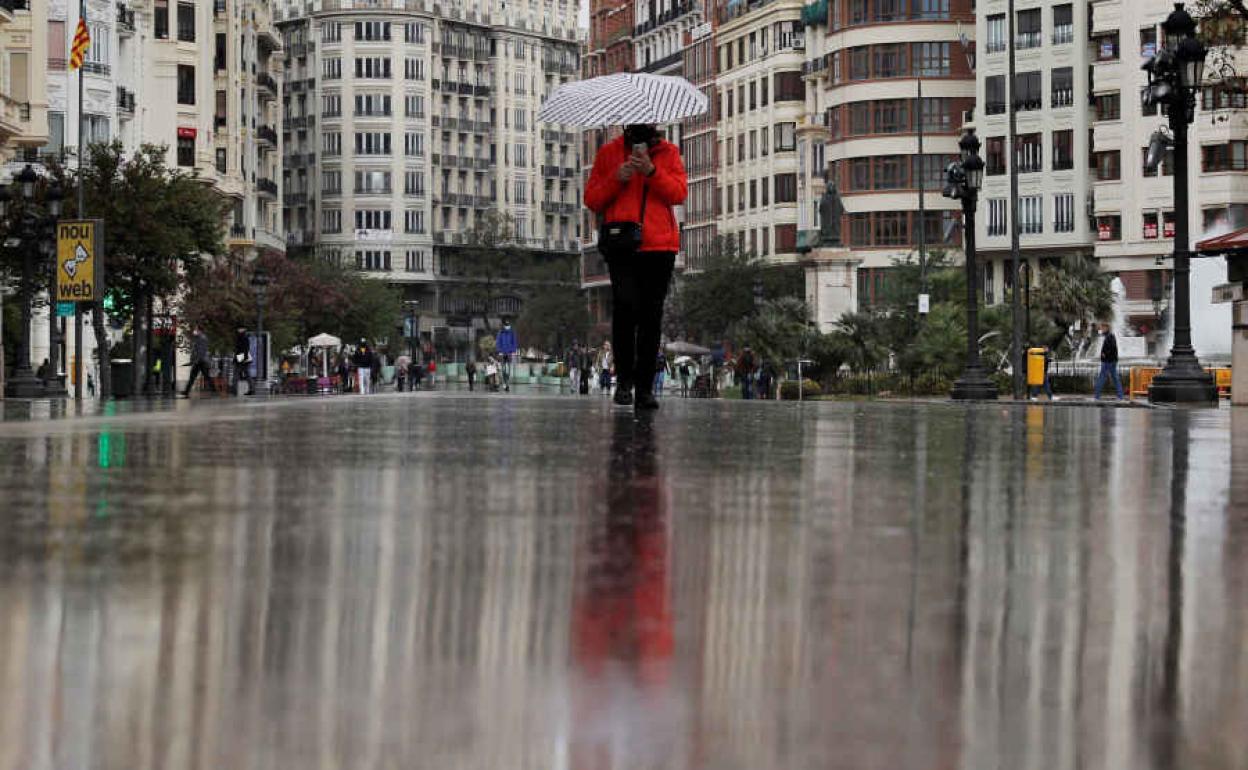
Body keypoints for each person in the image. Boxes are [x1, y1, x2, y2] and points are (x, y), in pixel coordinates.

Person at [585, 122, 687, 410]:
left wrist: (651, 171)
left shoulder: (668, 152)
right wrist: (618, 177)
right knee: (625, 309)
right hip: (623, 244)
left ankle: (644, 388)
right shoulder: (609, 153)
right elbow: (592, 199)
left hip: (659, 246)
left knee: (651, 317)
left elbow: (678, 193)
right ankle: (625, 383)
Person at [1093, 322, 1123, 401]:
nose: (1101, 329)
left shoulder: (1110, 336)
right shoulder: (1108, 336)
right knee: (1115, 378)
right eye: (1101, 328)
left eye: (1102, 328)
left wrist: (1105, 354)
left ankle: (1097, 396)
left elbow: (1112, 347)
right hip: (1111, 361)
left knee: (1102, 378)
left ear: (1106, 328)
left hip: (1108, 361)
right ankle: (1120, 396)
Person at [496, 321, 518, 392]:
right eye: (506, 325)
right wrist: (499, 351)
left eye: (508, 325)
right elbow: (498, 342)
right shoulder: (501, 333)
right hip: (502, 353)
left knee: (508, 369)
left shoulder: (512, 333)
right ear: (504, 326)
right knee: (503, 369)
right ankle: (504, 383)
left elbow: (514, 342)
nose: (507, 326)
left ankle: (507, 384)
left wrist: (513, 351)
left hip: (509, 353)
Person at [234, 327, 252, 395]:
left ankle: (235, 390)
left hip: (241, 357)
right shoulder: (242, 337)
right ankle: (251, 389)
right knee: (247, 374)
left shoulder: (243, 338)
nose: (238, 330)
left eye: (240, 329)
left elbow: (243, 350)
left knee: (237, 373)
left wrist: (241, 359)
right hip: (243, 358)